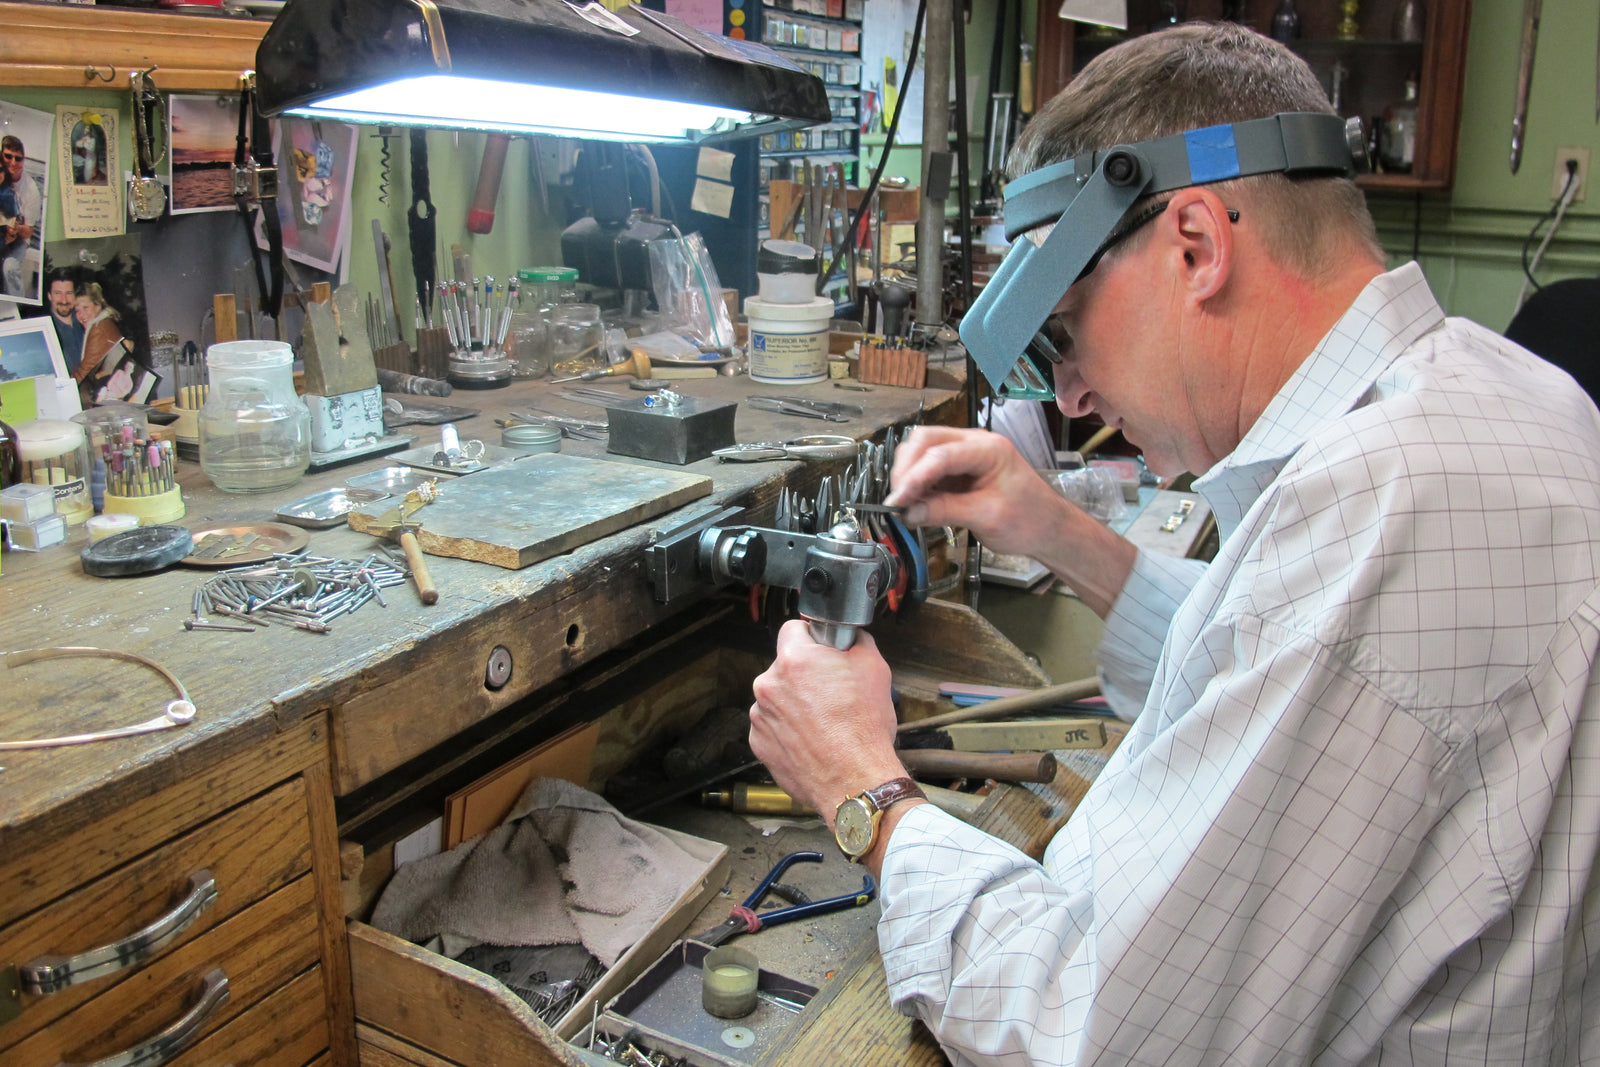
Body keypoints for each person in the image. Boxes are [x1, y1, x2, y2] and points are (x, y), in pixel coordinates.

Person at [749, 23, 1600, 1065]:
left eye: (1062, 329)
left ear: (1194, 245)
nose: (1065, 391)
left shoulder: (1384, 506)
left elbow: (1092, 1030)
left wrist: (861, 791)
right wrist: (1055, 529)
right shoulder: (1487, 389)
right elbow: (1261, 655)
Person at [73, 282, 132, 406]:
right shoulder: (104, 322)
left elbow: (85, 370)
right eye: (77, 310)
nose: (81, 315)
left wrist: (65, 387)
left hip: (107, 395)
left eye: (86, 307)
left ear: (98, 305)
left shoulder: (99, 328)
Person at [1, 134, 42, 300]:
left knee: (9, 267)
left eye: (18, 159)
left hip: (18, 239)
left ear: (24, 160)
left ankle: (18, 305)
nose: (13, 162)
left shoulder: (31, 190)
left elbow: (29, 232)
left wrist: (14, 228)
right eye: (8, 156)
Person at [44, 271, 85, 372]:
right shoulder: (46, 332)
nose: (64, 300)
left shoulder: (86, 319)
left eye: (69, 293)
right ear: (49, 296)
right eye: (58, 293)